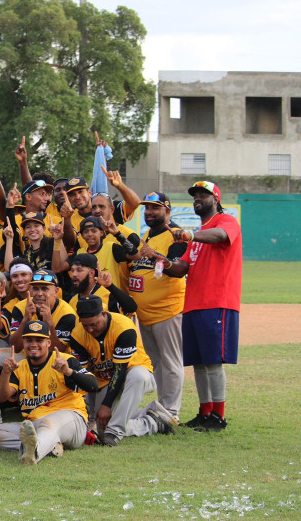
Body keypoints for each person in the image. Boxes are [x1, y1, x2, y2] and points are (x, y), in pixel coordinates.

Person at [161, 181, 242, 431]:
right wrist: (161, 262)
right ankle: (205, 412)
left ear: (215, 199)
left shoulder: (225, 222)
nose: (198, 198)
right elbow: (182, 268)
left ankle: (219, 415)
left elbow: (221, 237)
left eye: (203, 195)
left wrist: (190, 235)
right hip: (194, 304)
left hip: (217, 301)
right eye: (195, 195)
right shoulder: (198, 232)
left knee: (213, 361)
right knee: (198, 362)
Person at [67, 295, 177, 446]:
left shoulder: (123, 328)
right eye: (86, 326)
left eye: (94, 324)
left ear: (104, 314)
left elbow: (119, 372)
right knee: (100, 428)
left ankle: (115, 432)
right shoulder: (78, 335)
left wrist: (106, 405)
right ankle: (151, 421)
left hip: (135, 373)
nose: (90, 329)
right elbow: (83, 373)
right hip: (105, 380)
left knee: (137, 377)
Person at [0, 321, 99, 464]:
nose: (33, 344)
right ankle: (49, 445)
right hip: (34, 422)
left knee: (49, 423)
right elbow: (0, 397)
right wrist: (5, 373)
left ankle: (34, 453)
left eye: (39, 340)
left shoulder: (64, 360)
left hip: (70, 418)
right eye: (29, 340)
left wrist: (68, 372)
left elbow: (93, 386)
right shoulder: (19, 367)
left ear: (48, 342)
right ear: (23, 342)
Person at [130, 192, 187, 420]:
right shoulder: (150, 234)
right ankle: (163, 406)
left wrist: (155, 256)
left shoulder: (175, 235)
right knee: (157, 362)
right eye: (146, 208)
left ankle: (171, 410)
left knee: (171, 362)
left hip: (167, 311)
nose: (149, 212)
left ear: (167, 211)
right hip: (147, 314)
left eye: (155, 208)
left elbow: (179, 270)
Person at [65, 253, 138, 316]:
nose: (74, 274)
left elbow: (132, 307)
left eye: (79, 270)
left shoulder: (108, 295)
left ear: (91, 273)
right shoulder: (73, 301)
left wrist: (110, 286)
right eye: (72, 270)